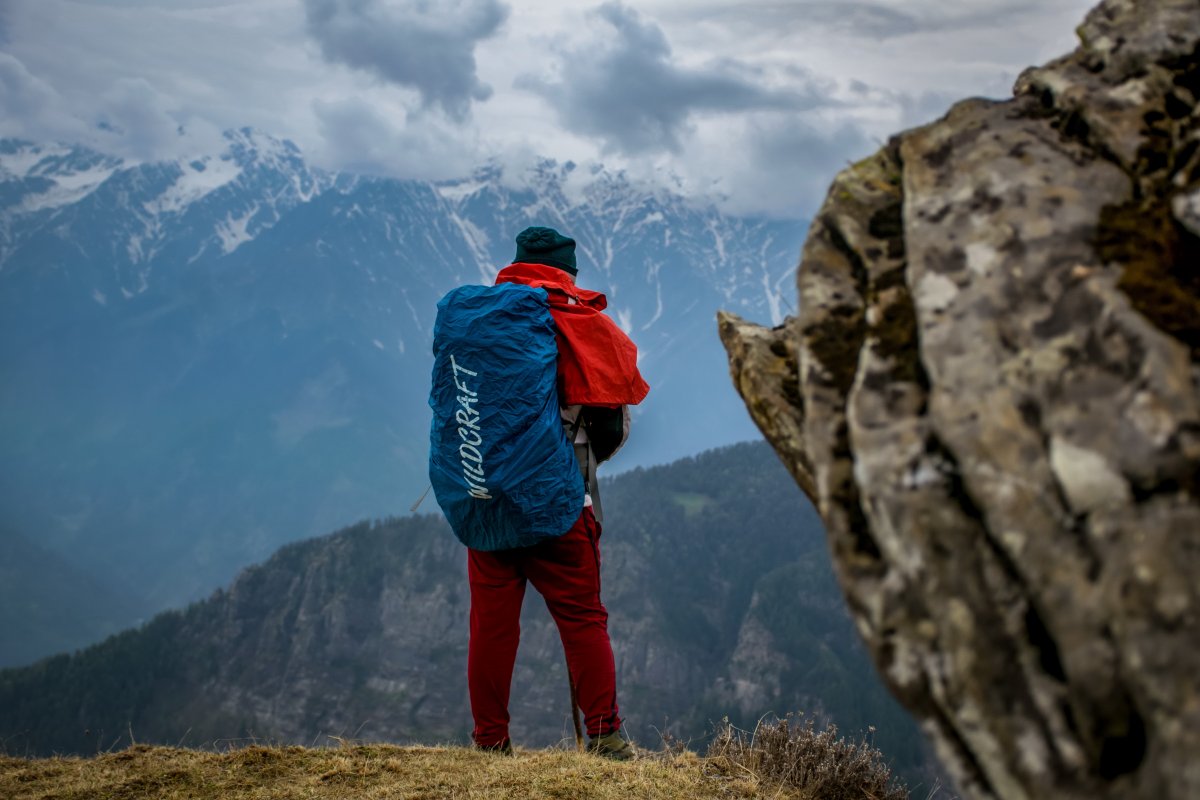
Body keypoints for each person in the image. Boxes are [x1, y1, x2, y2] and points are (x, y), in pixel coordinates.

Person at [466, 226, 649, 759]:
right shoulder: (582, 327)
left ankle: (490, 740)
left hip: (488, 499)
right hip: (561, 501)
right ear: (568, 273)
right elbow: (611, 429)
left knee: (492, 625)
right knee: (583, 619)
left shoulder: (482, 324)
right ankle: (604, 735)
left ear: (516, 266)